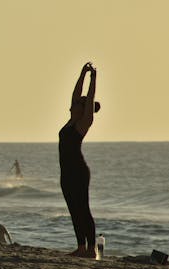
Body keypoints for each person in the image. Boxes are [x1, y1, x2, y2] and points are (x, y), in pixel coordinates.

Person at [59, 62, 100, 258]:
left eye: (77, 103)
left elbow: (88, 99)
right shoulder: (70, 120)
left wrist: (94, 78)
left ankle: (91, 249)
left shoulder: (83, 123)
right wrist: (82, 73)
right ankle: (81, 247)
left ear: (83, 109)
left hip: (79, 171)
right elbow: (76, 95)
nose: (73, 104)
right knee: (73, 209)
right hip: (66, 172)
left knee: (83, 208)